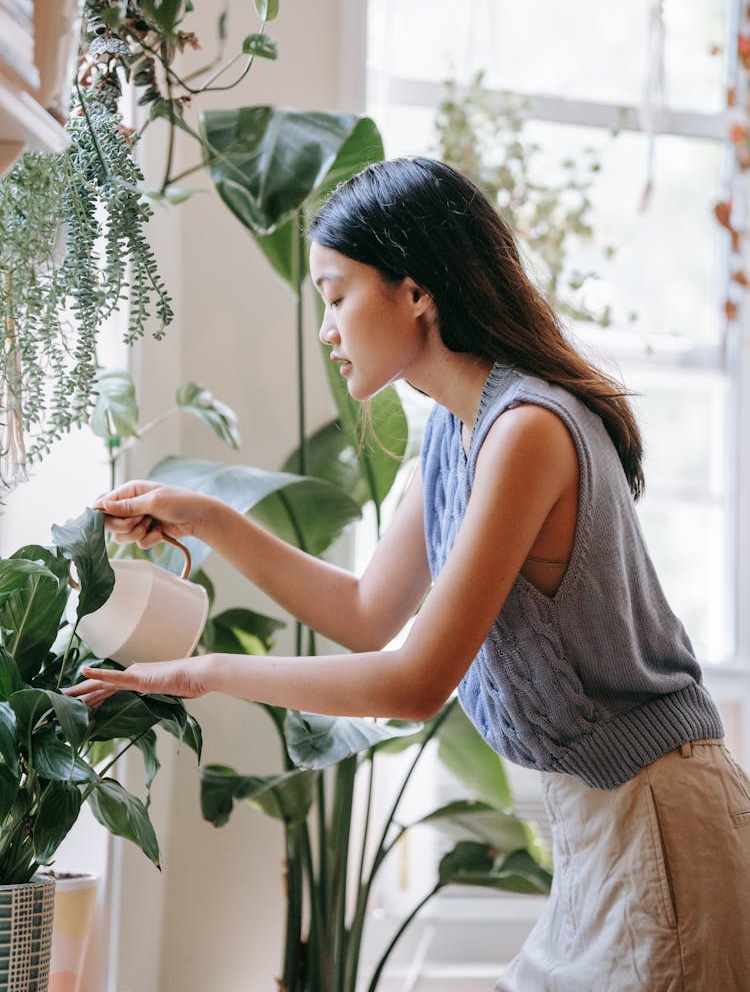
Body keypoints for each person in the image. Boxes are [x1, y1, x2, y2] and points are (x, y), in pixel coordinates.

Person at [69, 157, 750, 990]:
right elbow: (363, 612)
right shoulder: (449, 439)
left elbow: (414, 681)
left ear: (415, 291)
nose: (326, 328)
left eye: (336, 294)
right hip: (600, 829)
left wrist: (197, 672)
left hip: (662, 828)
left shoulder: (527, 430)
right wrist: (207, 515)